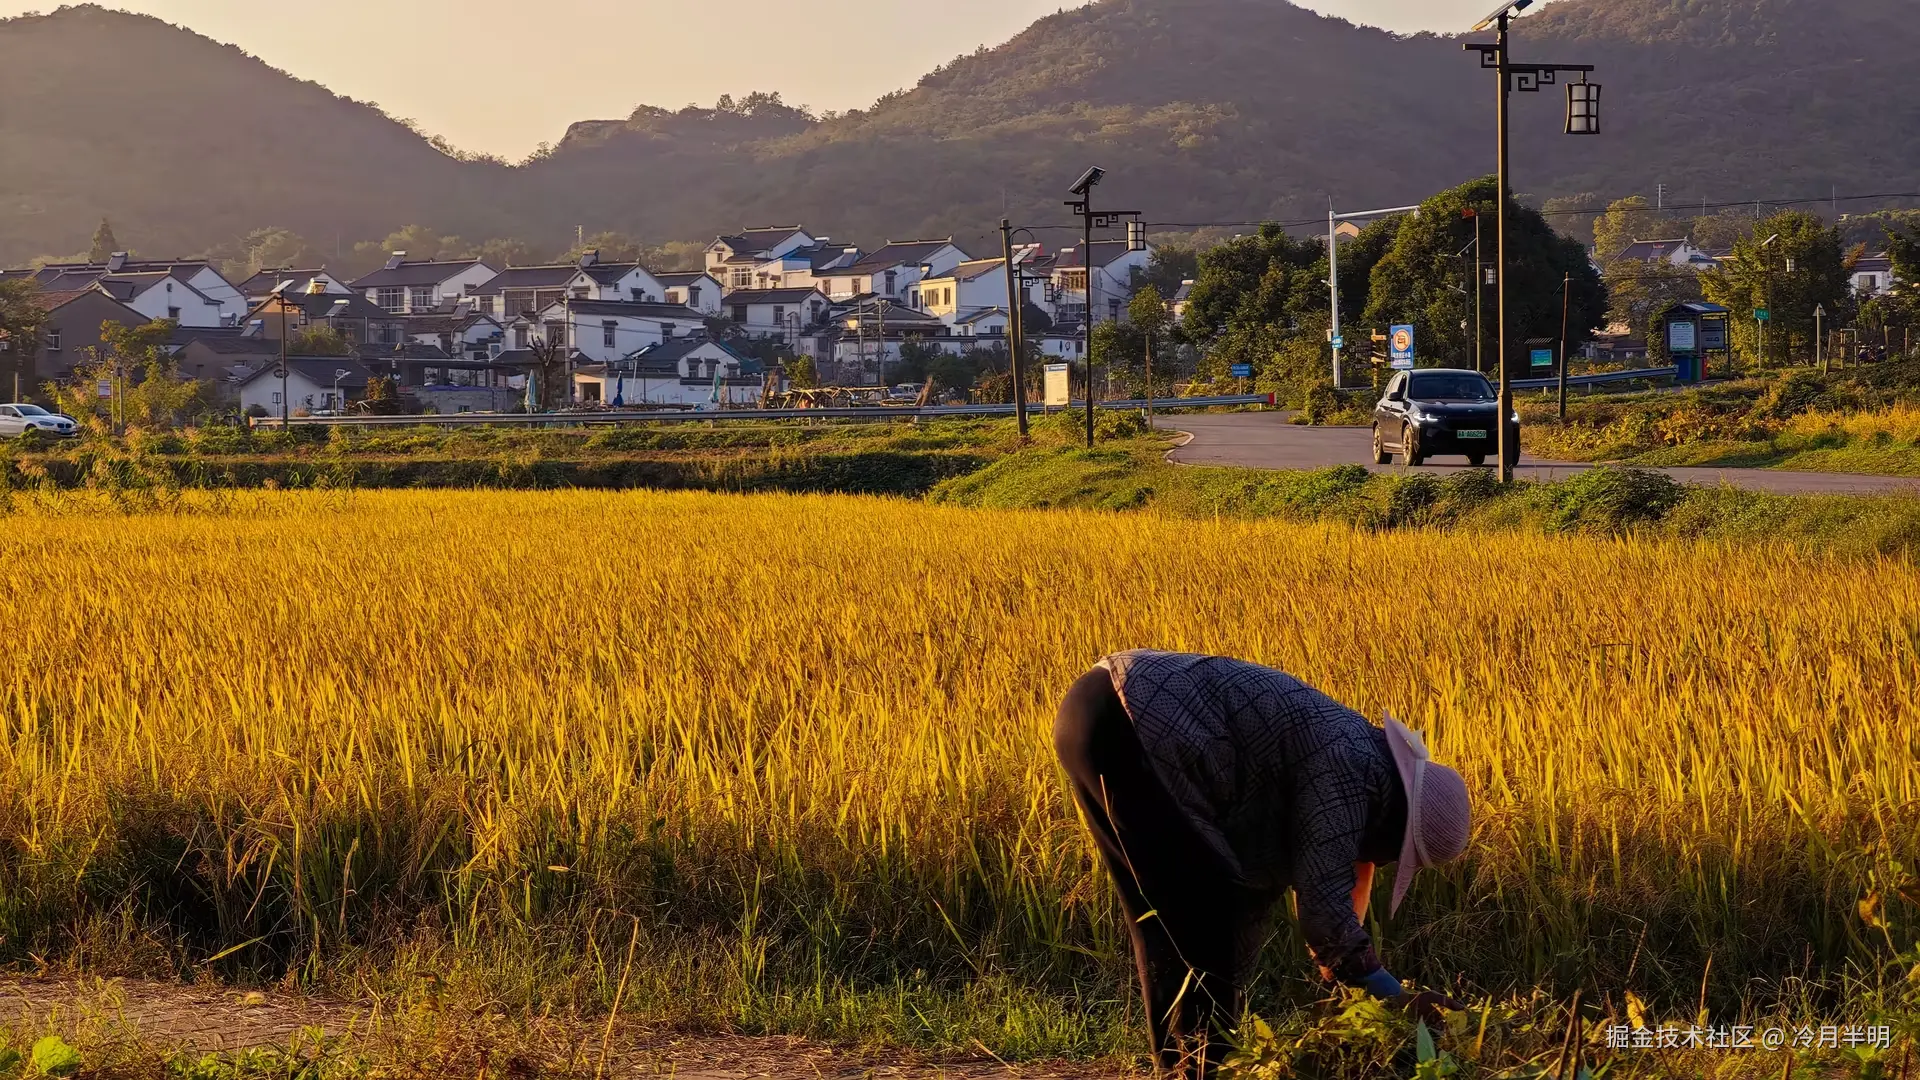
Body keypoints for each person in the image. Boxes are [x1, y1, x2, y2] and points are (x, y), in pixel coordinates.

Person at [1053, 651, 1473, 1079]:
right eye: (1394, 854)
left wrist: (1344, 982)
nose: (1382, 862)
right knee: (1204, 920)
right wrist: (1394, 997)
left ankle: (1182, 1070)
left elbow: (1251, 892)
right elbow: (1325, 916)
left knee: (1168, 923)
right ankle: (1201, 1069)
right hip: (1138, 720)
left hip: (1097, 709)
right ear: (1396, 819)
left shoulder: (1351, 754)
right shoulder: (1353, 768)